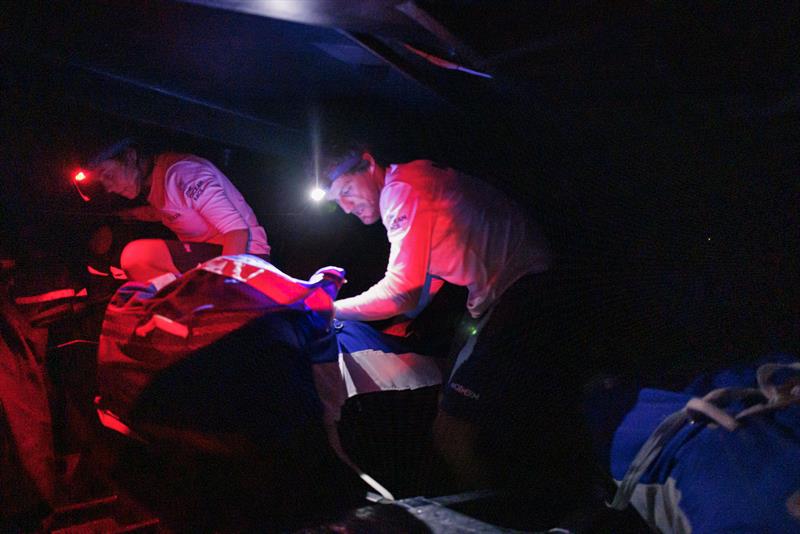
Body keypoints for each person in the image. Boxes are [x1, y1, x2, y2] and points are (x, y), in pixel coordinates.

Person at [319, 142, 587, 506]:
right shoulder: (417, 181)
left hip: (525, 294)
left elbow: (402, 292)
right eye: (338, 202)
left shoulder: (401, 191)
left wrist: (325, 307)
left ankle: (489, 520)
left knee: (452, 432)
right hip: (515, 295)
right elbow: (423, 288)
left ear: (368, 164)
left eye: (347, 191)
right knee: (475, 405)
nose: (346, 208)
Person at [78, 138, 270, 281]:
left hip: (246, 256)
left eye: (108, 174)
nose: (108, 187)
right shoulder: (155, 185)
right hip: (212, 256)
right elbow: (166, 212)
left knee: (136, 256)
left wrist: (222, 286)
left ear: (130, 156)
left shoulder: (182, 173)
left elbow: (237, 232)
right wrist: (127, 215)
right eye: (102, 182)